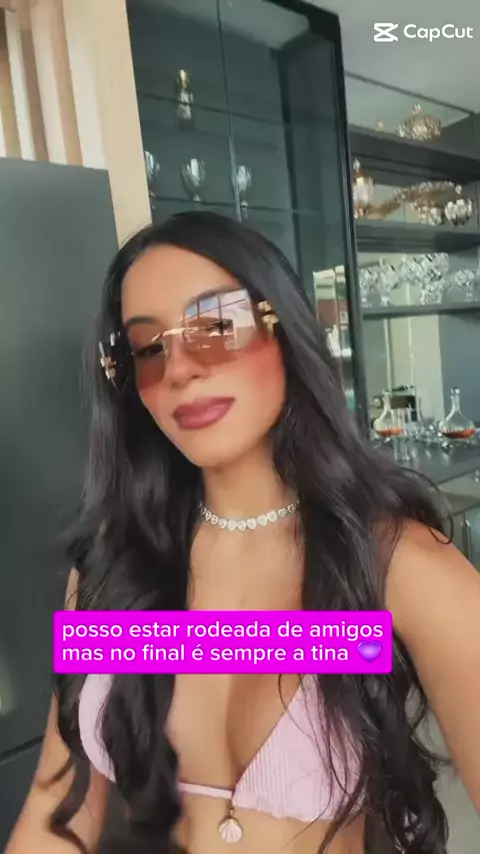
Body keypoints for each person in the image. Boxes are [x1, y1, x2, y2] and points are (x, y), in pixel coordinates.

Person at [7, 211, 480, 854]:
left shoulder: (395, 566)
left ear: (284, 327)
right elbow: (57, 811)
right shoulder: (115, 568)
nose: (180, 370)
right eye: (148, 348)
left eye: (217, 327)